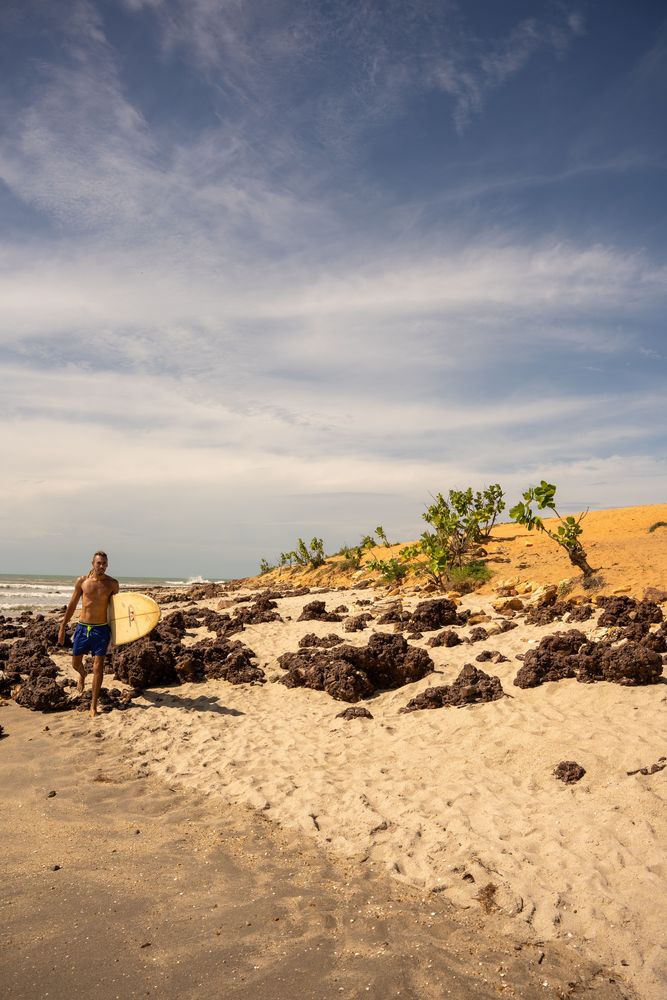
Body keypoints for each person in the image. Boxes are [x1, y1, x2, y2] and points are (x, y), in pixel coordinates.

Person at [58, 551, 119, 718]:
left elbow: (116, 611)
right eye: (99, 563)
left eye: (104, 564)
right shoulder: (82, 582)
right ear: (93, 563)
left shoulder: (112, 584)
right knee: (75, 663)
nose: (102, 566)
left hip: (101, 630)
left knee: (98, 667)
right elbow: (71, 605)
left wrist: (117, 636)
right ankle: (82, 674)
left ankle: (93, 706)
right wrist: (63, 627)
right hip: (83, 628)